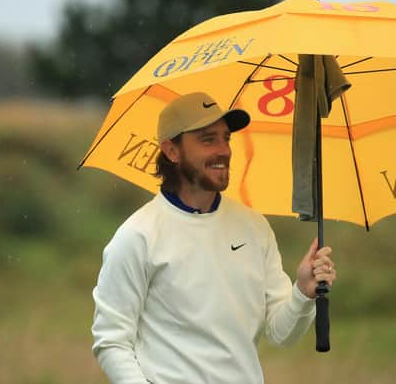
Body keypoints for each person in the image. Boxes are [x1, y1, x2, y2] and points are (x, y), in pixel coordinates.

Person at [91, 92, 337, 384]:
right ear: (172, 151)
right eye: (208, 140)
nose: (224, 151)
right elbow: (111, 342)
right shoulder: (137, 236)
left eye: (226, 138)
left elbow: (281, 334)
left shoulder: (254, 227)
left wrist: (303, 292)